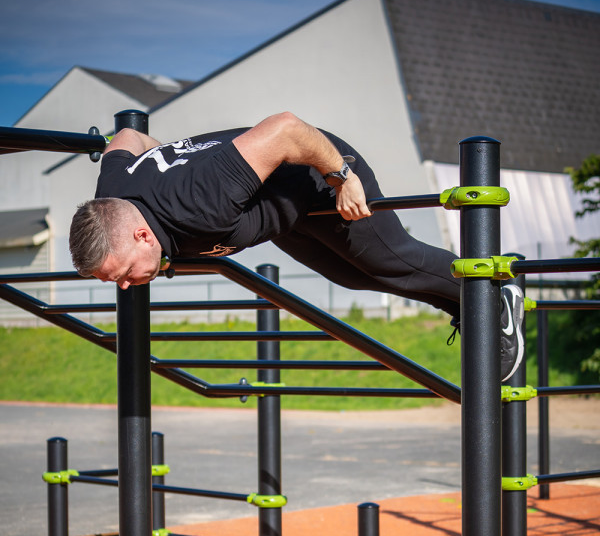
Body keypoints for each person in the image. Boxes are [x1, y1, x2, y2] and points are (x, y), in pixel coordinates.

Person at [69, 111, 524, 380]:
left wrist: (341, 177)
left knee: (393, 260)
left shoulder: (198, 200)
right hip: (284, 211)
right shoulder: (111, 193)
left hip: (320, 175)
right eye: (117, 281)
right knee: (353, 277)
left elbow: (286, 128)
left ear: (142, 234)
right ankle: (465, 304)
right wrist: (167, 160)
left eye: (125, 272)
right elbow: (126, 139)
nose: (127, 286)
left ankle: (496, 292)